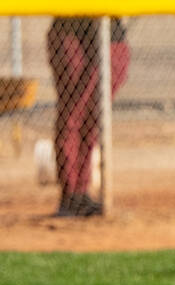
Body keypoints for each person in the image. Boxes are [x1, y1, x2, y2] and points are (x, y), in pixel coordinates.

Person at [47, 16, 130, 217]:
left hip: (111, 36)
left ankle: (81, 191)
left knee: (92, 119)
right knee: (73, 114)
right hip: (72, 30)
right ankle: (71, 195)